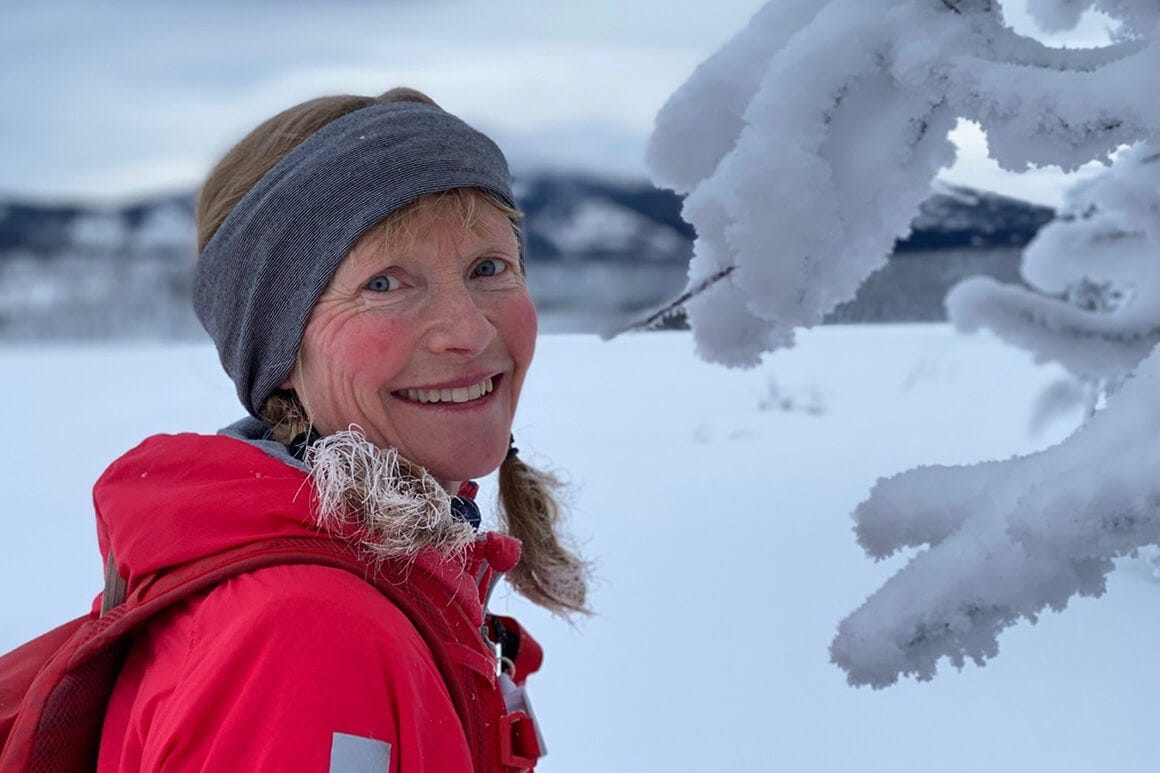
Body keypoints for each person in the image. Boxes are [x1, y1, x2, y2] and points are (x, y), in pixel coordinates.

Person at [93, 87, 588, 772]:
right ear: (280, 353)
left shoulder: (366, 573)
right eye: (384, 284)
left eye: (488, 268)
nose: (469, 332)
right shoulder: (309, 635)